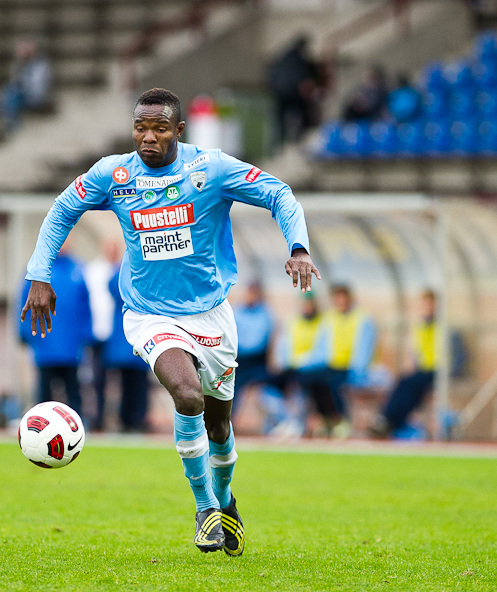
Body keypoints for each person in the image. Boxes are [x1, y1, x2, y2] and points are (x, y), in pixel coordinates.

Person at [21, 87, 319, 556]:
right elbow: (63, 209)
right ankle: (204, 510)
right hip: (148, 313)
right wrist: (40, 274)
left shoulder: (212, 168)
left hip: (212, 315)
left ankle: (225, 502)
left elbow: (279, 193)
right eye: (140, 127)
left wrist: (298, 247)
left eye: (160, 128)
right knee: (186, 393)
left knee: (220, 428)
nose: (148, 137)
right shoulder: (114, 174)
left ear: (179, 131)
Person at [18, 240, 91, 414]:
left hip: (71, 345)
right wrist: (25, 332)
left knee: (73, 390)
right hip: (46, 344)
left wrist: (87, 334)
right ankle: (40, 422)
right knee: (44, 392)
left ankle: (76, 423)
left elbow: (85, 308)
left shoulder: (78, 270)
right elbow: (24, 303)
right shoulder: (37, 270)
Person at [301, 285, 377, 439]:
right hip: (332, 365)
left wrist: (357, 372)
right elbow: (321, 347)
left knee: (334, 383)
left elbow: (364, 349)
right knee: (310, 379)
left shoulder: (362, 319)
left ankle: (341, 419)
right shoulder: (330, 318)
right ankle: (326, 418)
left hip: (350, 367)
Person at [369, 290, 440, 439]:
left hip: (438, 371)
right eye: (425, 305)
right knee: (407, 385)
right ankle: (391, 421)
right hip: (423, 371)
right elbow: (416, 353)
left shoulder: (443, 326)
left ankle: (388, 420)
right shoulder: (420, 327)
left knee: (409, 382)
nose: (427, 309)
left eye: (430, 305)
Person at [267, 291, 324, 438]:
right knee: (267, 386)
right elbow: (282, 346)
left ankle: (295, 424)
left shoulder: (322, 324)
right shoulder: (292, 321)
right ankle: (286, 421)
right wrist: (281, 364)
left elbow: (322, 352)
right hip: (289, 368)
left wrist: (300, 362)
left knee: (300, 386)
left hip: (309, 369)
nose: (307, 307)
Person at [103, 265, 150, 432]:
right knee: (132, 384)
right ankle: (130, 420)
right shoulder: (132, 274)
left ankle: (134, 420)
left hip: (135, 338)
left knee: (137, 384)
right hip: (134, 339)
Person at [83, 238, 122, 430]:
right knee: (97, 378)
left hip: (119, 335)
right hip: (98, 333)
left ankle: (119, 419)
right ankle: (97, 417)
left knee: (121, 380)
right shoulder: (93, 270)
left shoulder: (123, 270)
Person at [266, 35, 322, 144]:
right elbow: (301, 77)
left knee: (279, 119)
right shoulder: (297, 59)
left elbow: (271, 74)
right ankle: (299, 138)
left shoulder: (282, 58)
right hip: (291, 93)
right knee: (302, 112)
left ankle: (278, 141)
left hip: (278, 93)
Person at [231, 282, 275, 410]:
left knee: (267, 388)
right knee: (231, 387)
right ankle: (226, 421)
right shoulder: (237, 311)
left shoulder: (265, 312)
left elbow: (262, 339)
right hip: (240, 359)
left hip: (258, 360)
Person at [0, 38, 53, 133]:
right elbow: (15, 81)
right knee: (10, 91)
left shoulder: (40, 65)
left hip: (37, 97)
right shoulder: (20, 65)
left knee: (13, 93)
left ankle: (12, 124)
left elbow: (37, 88)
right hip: (26, 96)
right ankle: (10, 121)